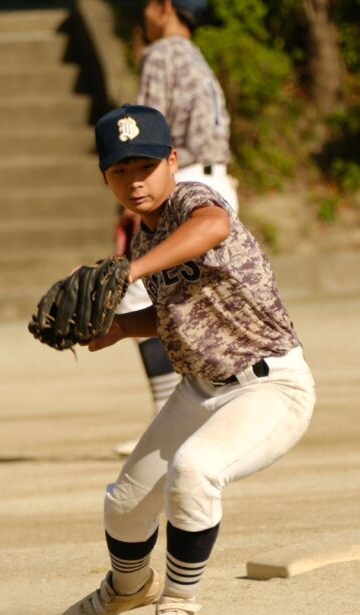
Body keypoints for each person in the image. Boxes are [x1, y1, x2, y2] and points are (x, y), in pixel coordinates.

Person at [55, 104, 315, 615]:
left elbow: (214, 226)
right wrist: (122, 328)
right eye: (120, 170)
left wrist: (128, 269)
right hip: (201, 390)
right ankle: (127, 589)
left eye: (145, 165)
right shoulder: (146, 239)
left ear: (173, 161)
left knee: (195, 470)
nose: (134, 181)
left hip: (270, 386)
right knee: (125, 503)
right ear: (105, 177)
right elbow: (178, 313)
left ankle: (179, 603)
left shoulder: (194, 201)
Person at [114, 0, 239, 457]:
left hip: (181, 184)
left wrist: (134, 202)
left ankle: (169, 420)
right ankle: (212, 408)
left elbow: (143, 134)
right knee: (201, 297)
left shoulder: (162, 53)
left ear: (165, 6)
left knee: (138, 293)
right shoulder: (194, 55)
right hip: (217, 179)